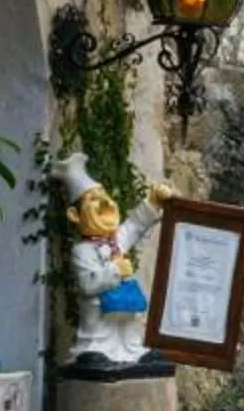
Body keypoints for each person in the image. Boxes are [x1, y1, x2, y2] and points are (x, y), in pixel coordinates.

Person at [57, 152, 171, 368]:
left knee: (129, 321)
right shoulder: (82, 252)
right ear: (74, 215)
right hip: (100, 307)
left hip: (123, 302)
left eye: (103, 196)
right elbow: (88, 284)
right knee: (97, 315)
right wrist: (115, 270)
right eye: (93, 200)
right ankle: (94, 351)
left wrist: (153, 203)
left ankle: (133, 351)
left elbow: (134, 226)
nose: (103, 203)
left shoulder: (115, 240)